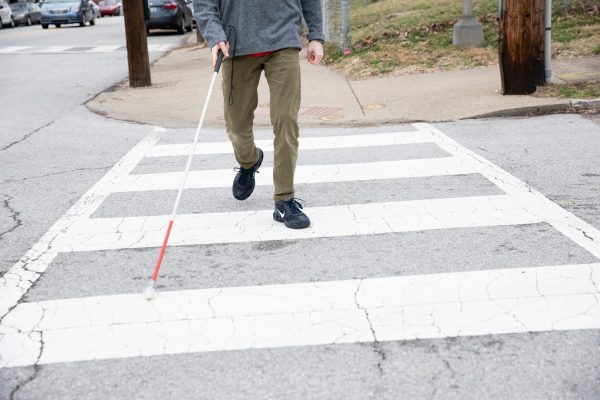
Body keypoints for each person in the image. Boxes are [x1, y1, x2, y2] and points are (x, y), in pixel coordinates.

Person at [195, 0, 324, 229]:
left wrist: (315, 35)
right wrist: (215, 35)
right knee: (236, 124)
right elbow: (204, 3)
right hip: (236, 44)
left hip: (284, 38)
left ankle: (284, 199)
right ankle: (249, 160)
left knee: (286, 120)